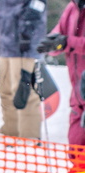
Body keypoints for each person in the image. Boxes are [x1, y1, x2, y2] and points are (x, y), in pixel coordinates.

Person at [39, 0, 85, 164]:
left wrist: (68, 42)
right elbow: (60, 33)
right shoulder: (73, 8)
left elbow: (68, 41)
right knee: (76, 150)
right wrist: (52, 43)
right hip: (79, 96)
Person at [0, 0, 47, 138]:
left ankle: (29, 137)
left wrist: (27, 30)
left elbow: (38, 4)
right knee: (5, 90)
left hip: (25, 45)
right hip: (6, 43)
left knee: (24, 92)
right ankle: (11, 131)